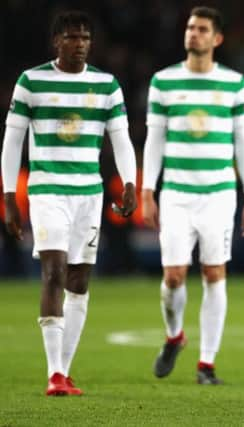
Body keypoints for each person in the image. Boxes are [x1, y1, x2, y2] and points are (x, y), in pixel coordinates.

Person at [1, 11, 137, 396]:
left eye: (85, 38)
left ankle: (65, 370)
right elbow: (13, 141)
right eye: (72, 37)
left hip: (89, 194)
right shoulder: (32, 81)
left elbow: (121, 138)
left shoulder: (106, 85)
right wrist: (10, 195)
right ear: (56, 42)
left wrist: (128, 182)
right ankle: (54, 373)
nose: (80, 44)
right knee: (54, 271)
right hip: (47, 191)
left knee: (79, 280)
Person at [142, 6, 244, 385]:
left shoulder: (235, 84)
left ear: (217, 38)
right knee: (173, 277)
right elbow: (154, 140)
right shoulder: (163, 82)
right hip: (175, 193)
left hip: (219, 194)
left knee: (213, 272)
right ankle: (175, 335)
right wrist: (148, 190)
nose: (193, 33)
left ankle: (206, 364)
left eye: (202, 29)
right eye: (190, 27)